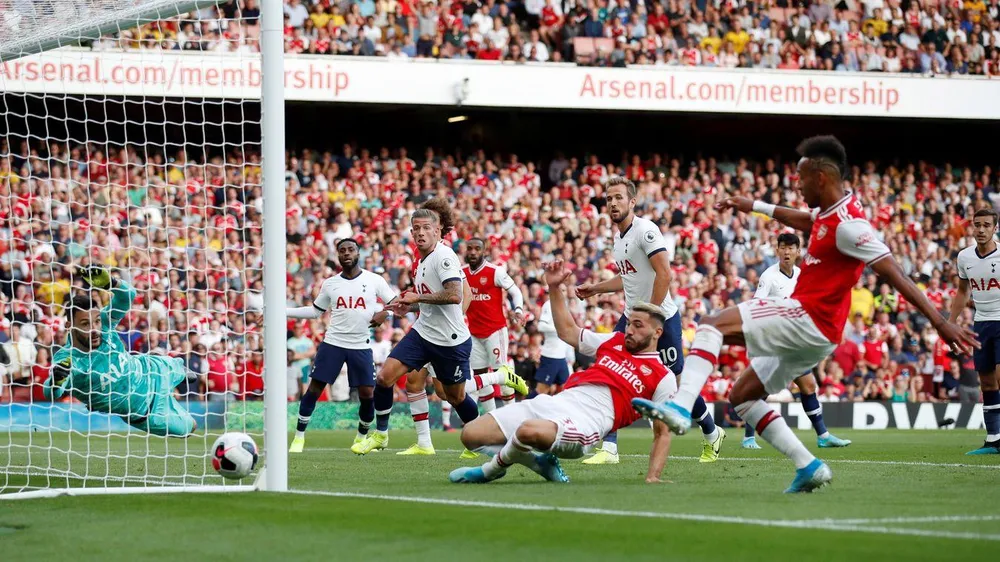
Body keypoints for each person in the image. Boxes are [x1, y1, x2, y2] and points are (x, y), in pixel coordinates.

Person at [633, 135, 976, 492]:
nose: (796, 184)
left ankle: (681, 407)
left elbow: (895, 273)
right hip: (818, 332)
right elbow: (802, 219)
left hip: (808, 317)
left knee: (711, 323)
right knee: (742, 396)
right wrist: (752, 204)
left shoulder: (851, 227)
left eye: (801, 177)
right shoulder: (831, 212)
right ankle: (808, 465)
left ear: (821, 177)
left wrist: (940, 323)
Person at [449, 260, 675, 484]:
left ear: (657, 332)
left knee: (527, 431)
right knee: (470, 435)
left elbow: (662, 432)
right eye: (629, 324)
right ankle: (540, 463)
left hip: (585, 422)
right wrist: (555, 288)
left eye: (638, 325)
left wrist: (653, 476)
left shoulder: (662, 376)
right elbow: (568, 331)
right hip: (555, 401)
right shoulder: (614, 341)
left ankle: (489, 471)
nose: (630, 330)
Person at [352, 206, 525, 455]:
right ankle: (382, 436)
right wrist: (395, 309)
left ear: (438, 230)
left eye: (426, 228)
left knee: (454, 396)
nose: (420, 233)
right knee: (384, 378)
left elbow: (455, 295)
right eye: (416, 229)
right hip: (423, 332)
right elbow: (426, 298)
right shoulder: (419, 258)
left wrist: (419, 300)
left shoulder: (444, 257)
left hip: (450, 340)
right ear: (411, 232)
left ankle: (480, 435)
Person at [576, 176, 725, 465]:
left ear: (632, 202)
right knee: (609, 369)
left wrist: (651, 316)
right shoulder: (619, 239)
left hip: (661, 320)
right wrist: (596, 288)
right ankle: (609, 448)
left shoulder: (645, 231)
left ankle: (711, 432)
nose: (613, 203)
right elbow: (627, 278)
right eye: (609, 199)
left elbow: (665, 274)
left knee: (679, 387)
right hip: (632, 318)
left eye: (619, 197)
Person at [43, 267, 197, 437]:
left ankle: (166, 362)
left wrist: (111, 283)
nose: (94, 329)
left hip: (154, 370)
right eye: (85, 324)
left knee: (190, 377)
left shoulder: (105, 322)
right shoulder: (68, 360)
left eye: (96, 322)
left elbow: (128, 296)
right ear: (69, 325)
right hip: (147, 411)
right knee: (190, 429)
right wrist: (57, 380)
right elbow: (52, 393)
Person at [741, 233, 852, 450]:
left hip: (794, 341)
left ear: (798, 251)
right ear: (777, 251)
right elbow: (755, 307)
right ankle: (748, 437)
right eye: (782, 247)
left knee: (808, 385)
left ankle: (823, 436)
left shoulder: (801, 274)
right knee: (761, 390)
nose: (786, 252)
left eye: (791, 248)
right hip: (774, 342)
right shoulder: (768, 277)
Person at [286, 238, 397, 453]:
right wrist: (282, 311)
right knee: (314, 389)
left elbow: (398, 303)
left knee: (367, 395)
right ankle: (299, 437)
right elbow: (315, 311)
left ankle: (361, 437)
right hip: (333, 344)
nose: (347, 253)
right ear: (338, 256)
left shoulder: (375, 280)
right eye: (342, 250)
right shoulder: (330, 283)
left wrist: (387, 312)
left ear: (358, 253)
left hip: (361, 346)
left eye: (351, 249)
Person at [949, 208, 1000, 455]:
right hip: (981, 324)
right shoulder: (965, 257)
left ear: (994, 228)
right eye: (977, 224)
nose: (981, 229)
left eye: (986, 225)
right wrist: (950, 322)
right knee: (987, 382)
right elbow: (962, 292)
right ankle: (993, 440)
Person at [462, 237, 526, 411]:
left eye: (477, 249)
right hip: (474, 333)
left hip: (494, 331)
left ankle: (509, 416)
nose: (473, 252)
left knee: (503, 377)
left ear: (484, 252)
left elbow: (516, 291)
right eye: (470, 248)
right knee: (480, 378)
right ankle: (492, 419)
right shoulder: (461, 273)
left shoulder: (495, 271)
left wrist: (518, 310)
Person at [535, 290, 573, 395]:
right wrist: (559, 329)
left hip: (561, 356)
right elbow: (541, 326)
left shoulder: (564, 305)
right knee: (541, 391)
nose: (564, 293)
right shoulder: (548, 305)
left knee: (565, 388)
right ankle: (523, 410)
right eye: (562, 290)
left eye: (565, 290)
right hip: (551, 356)